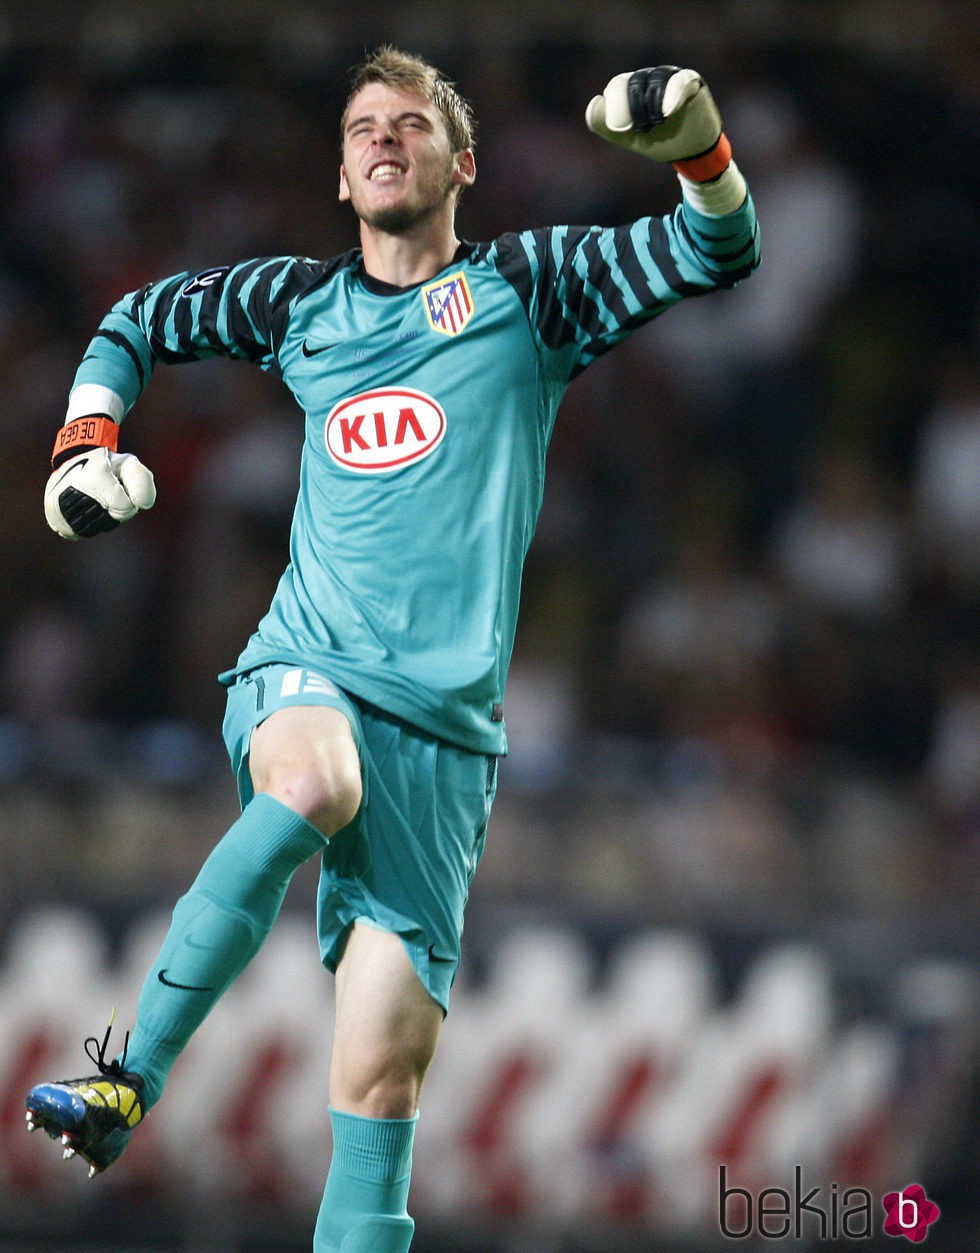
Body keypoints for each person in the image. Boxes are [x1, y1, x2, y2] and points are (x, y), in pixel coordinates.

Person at [26, 46, 760, 1252]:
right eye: (362, 126)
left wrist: (696, 146)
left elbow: (716, 251)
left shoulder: (534, 287)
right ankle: (127, 1079)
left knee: (377, 1089)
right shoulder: (295, 304)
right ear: (339, 172)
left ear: (459, 162)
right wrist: (82, 440)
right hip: (304, 666)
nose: (382, 138)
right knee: (311, 779)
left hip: (447, 746)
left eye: (410, 123)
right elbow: (135, 318)